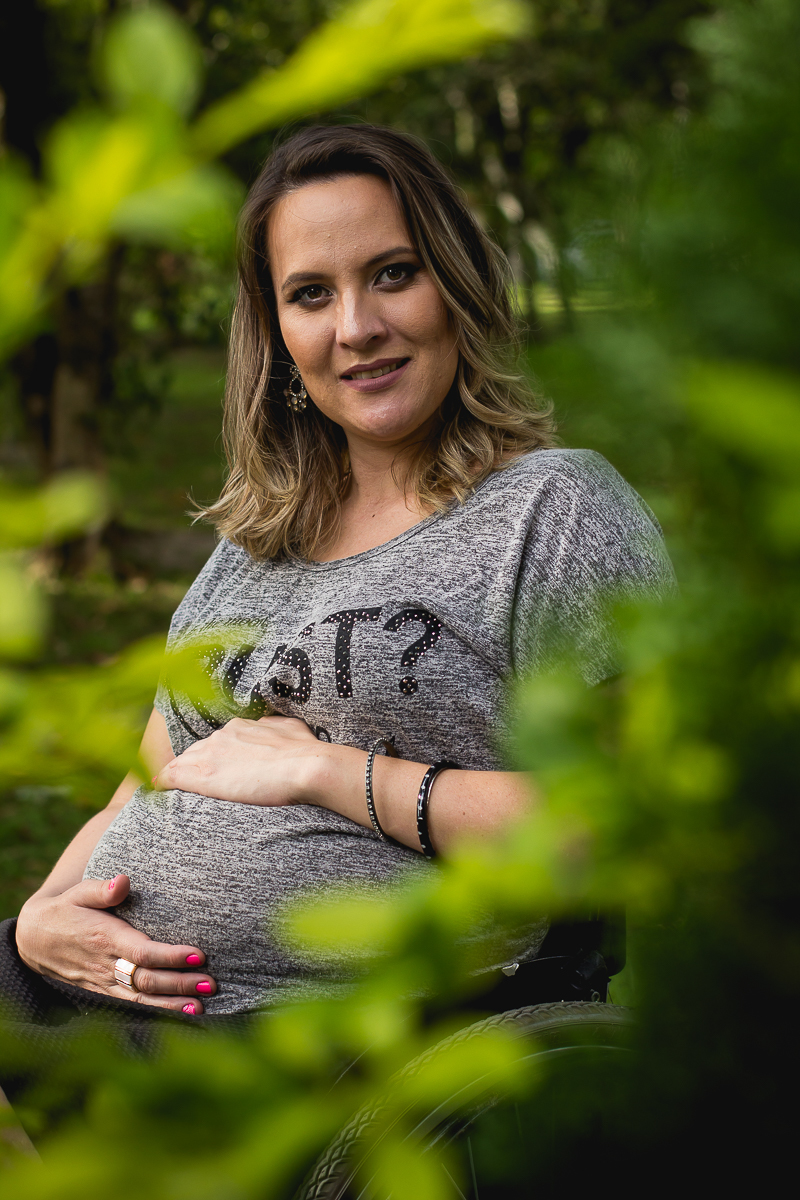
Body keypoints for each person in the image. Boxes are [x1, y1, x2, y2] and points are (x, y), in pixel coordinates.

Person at [8, 124, 672, 1020]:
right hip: (131, 1011)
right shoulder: (249, 553)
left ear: (456, 286)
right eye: (311, 294)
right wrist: (43, 918)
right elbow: (148, 783)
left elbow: (612, 825)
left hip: (373, 1048)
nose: (357, 328)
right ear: (279, 336)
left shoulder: (552, 510)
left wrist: (328, 773)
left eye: (394, 272)